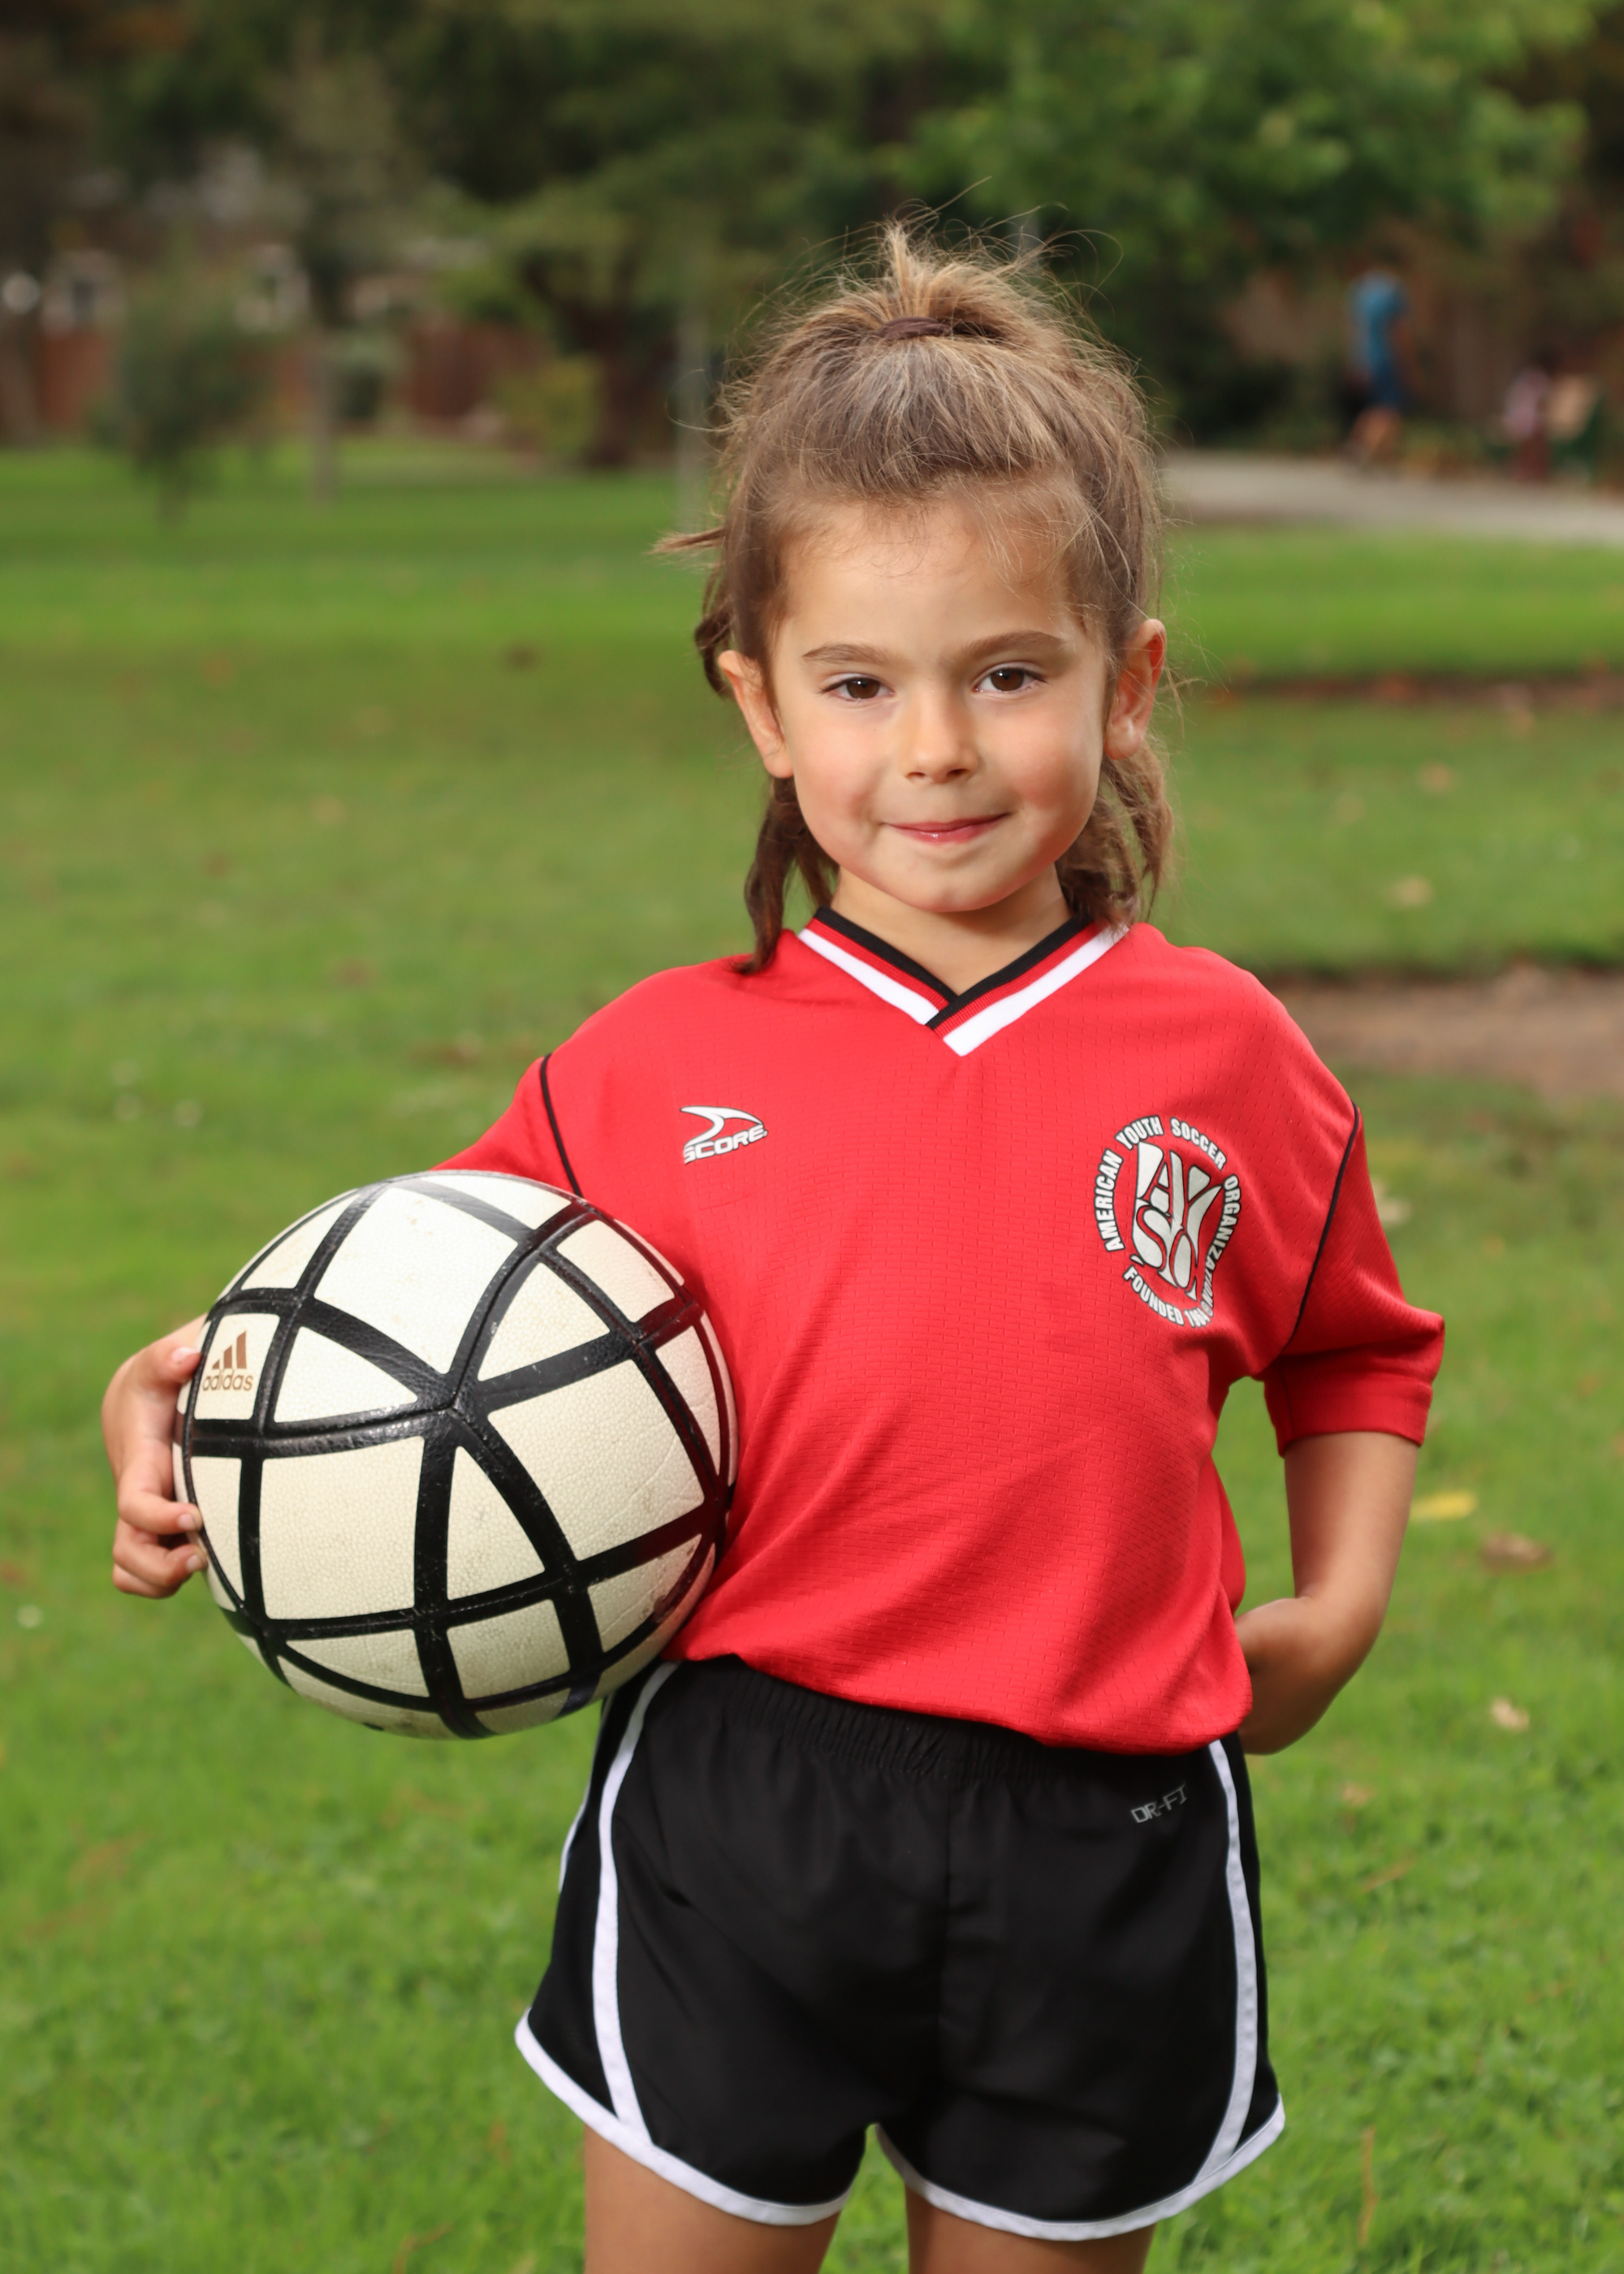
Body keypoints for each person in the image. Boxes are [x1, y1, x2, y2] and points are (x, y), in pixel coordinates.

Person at [102, 229, 1443, 2274]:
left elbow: (1349, 1346)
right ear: (757, 700)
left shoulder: (1228, 1058)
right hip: (743, 1810)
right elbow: (414, 1304)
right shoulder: (652, 1066)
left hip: (1104, 1831)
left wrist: (1334, 1606)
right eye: (858, 683)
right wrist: (185, 1378)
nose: (935, 749)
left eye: (1009, 674)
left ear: (1126, 678)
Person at [1344, 266, 1415, 463]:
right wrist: (1409, 365)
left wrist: (1355, 360)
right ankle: (1365, 453)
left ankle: (1359, 448)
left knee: (1372, 408)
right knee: (1389, 411)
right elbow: (1399, 332)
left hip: (1365, 359)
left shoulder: (1360, 292)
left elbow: (1355, 331)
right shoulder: (1392, 293)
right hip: (1387, 358)